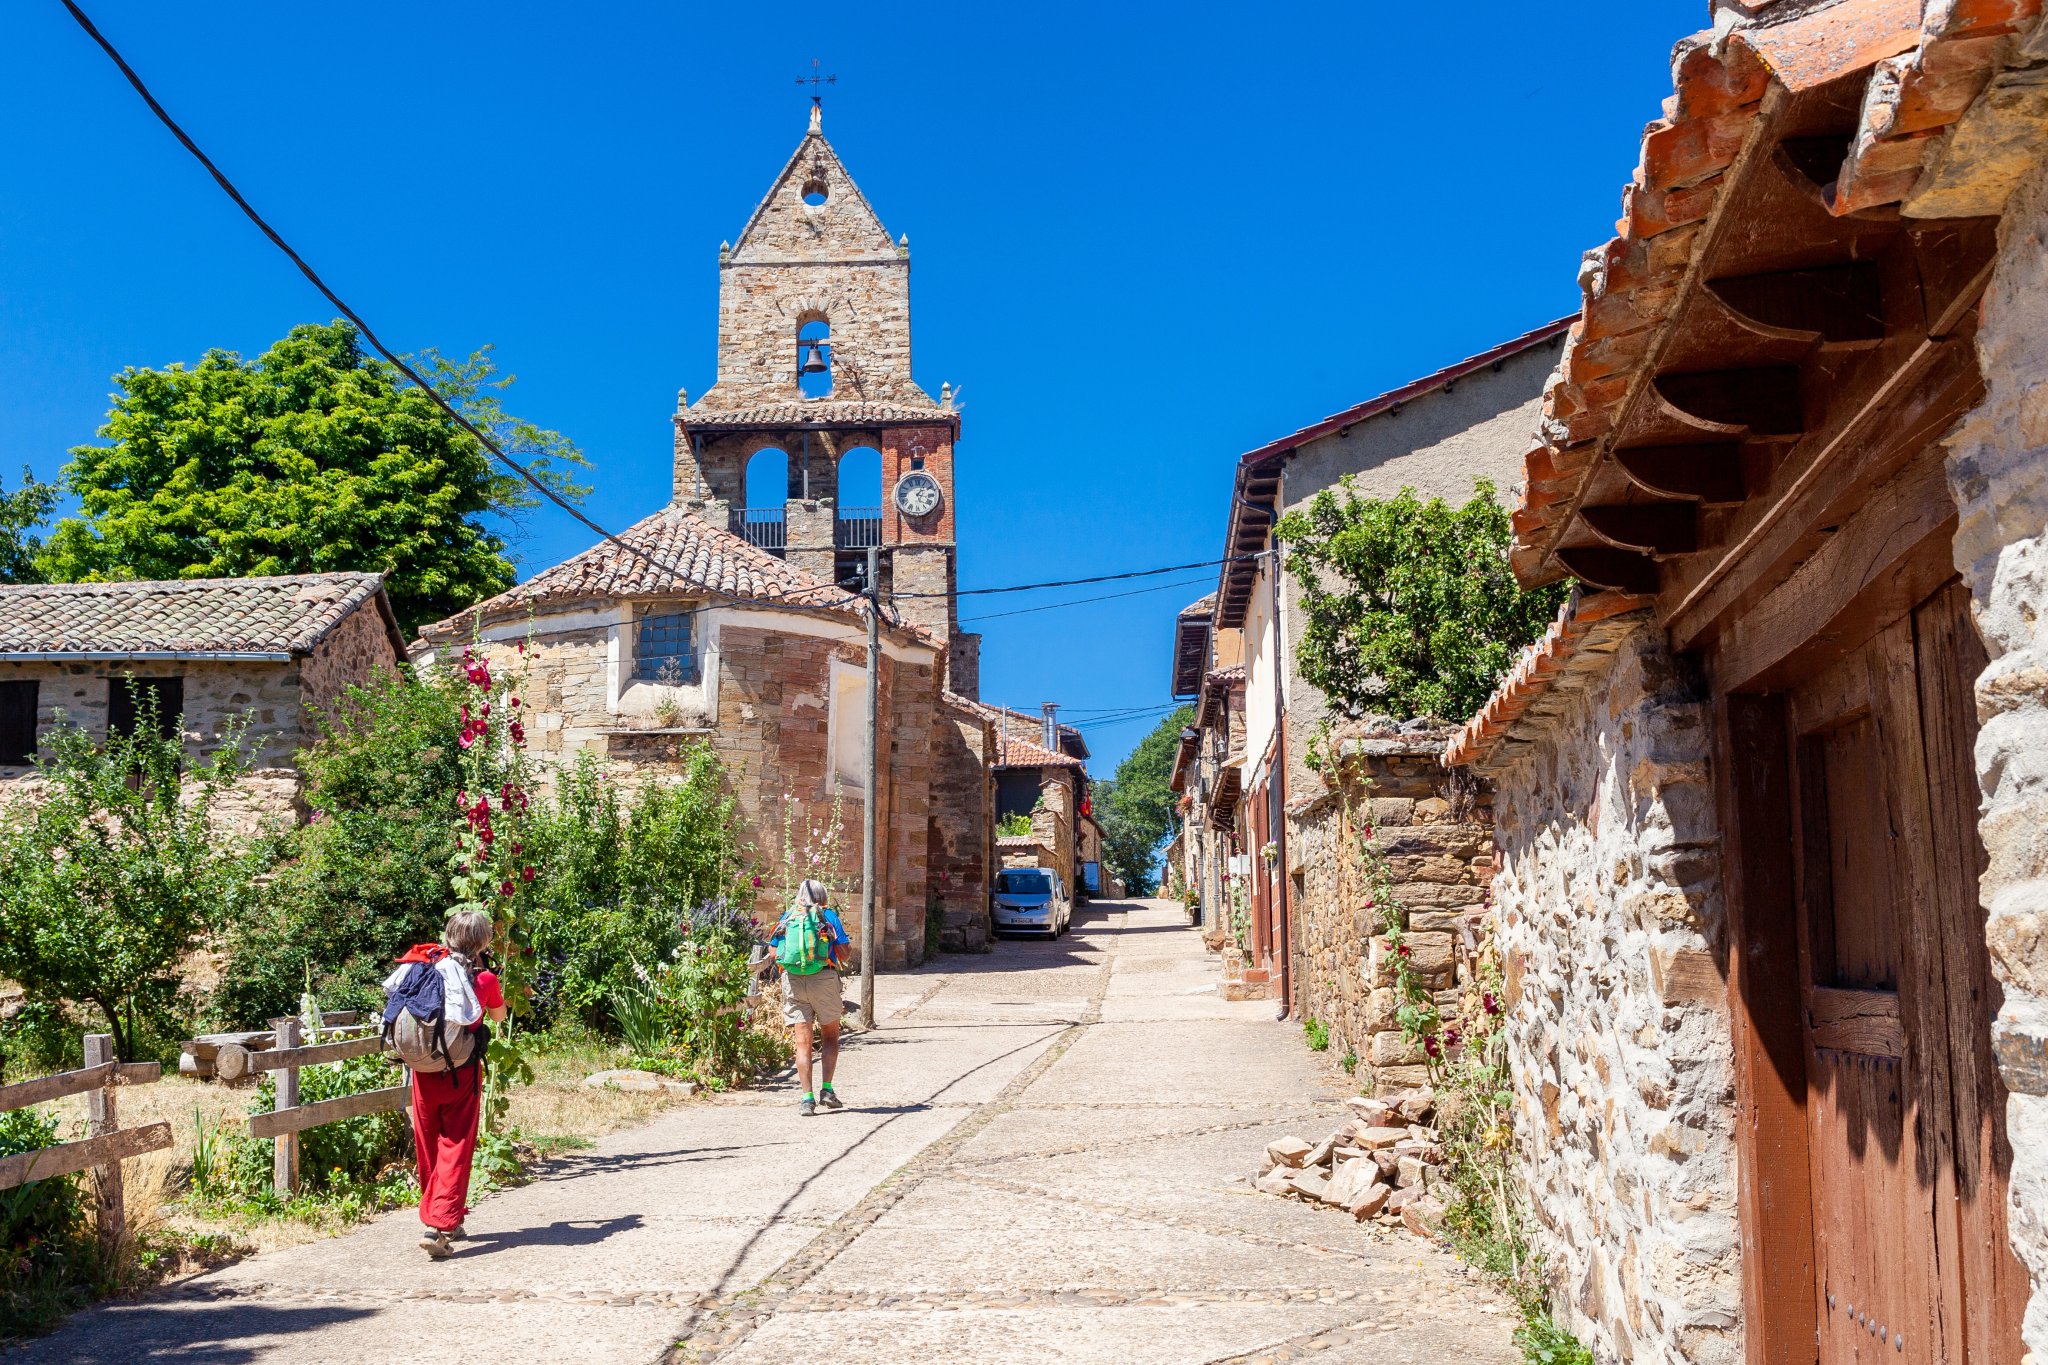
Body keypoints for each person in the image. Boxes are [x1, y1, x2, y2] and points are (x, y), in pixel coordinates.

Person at [384, 910, 507, 1259]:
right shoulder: (482, 980)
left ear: (448, 936)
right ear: (483, 942)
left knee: (429, 1145)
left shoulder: (426, 970)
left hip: (421, 1072)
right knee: (455, 1144)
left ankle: (445, 1213)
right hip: (461, 1073)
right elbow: (498, 1016)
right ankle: (438, 1226)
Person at [768, 879, 851, 1116]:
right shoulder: (827, 916)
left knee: (802, 1043)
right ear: (822, 897)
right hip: (824, 979)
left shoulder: (789, 915)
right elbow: (844, 951)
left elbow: (774, 952)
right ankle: (827, 1090)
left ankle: (806, 1099)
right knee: (830, 1036)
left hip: (794, 982)